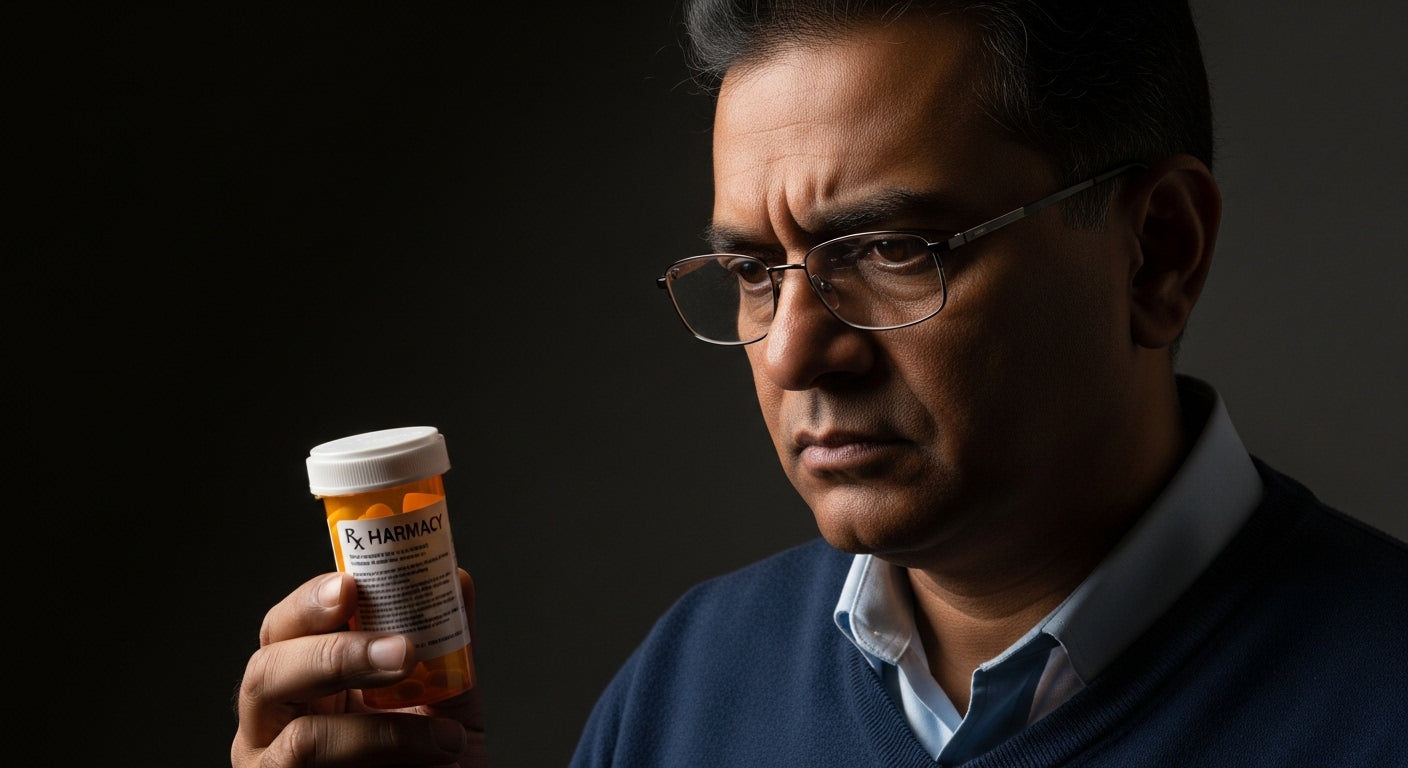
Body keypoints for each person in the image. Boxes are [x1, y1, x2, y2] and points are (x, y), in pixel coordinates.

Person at [231, 1, 1408, 766]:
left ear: (1157, 251)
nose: (795, 353)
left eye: (894, 252)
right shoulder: (688, 692)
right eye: (751, 270)